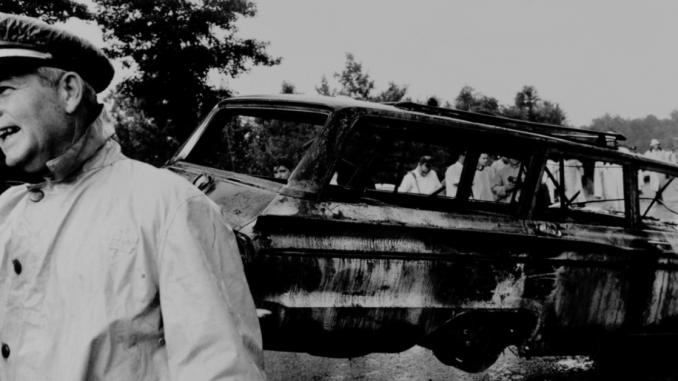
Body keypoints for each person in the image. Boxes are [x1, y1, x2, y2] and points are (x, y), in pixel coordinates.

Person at [0, 13, 265, 380]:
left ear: (69, 91)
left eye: (3, 90)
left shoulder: (169, 207)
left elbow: (221, 371)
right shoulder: (5, 213)